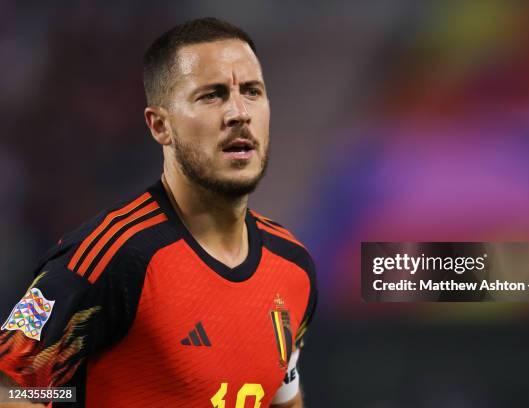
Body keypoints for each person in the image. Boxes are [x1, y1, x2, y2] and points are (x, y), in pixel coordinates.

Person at [0, 17, 317, 408]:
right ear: (160, 126)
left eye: (252, 91)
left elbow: (283, 394)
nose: (239, 112)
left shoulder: (292, 265)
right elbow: (10, 386)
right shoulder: (113, 257)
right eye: (212, 95)